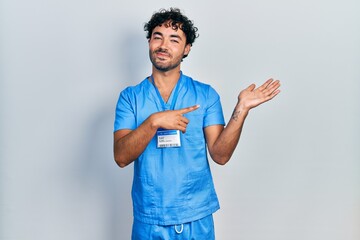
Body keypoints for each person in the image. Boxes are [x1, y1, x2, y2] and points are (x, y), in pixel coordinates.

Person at [113, 7, 281, 239]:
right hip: (150, 220)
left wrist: (240, 110)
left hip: (196, 218)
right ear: (149, 42)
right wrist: (153, 122)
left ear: (186, 49)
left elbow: (220, 155)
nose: (163, 45)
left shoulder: (205, 95)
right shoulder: (130, 98)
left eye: (174, 39)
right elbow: (121, 157)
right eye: (157, 37)